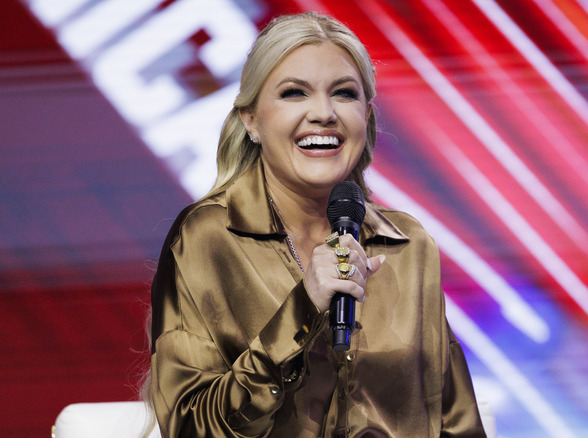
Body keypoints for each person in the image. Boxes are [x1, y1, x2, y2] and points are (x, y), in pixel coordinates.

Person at [147, 11, 486, 437]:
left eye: (344, 94)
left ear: (366, 116)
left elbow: (456, 423)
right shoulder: (208, 239)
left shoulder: (407, 245)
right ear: (251, 119)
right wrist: (302, 309)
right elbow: (188, 427)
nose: (323, 113)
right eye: (294, 93)